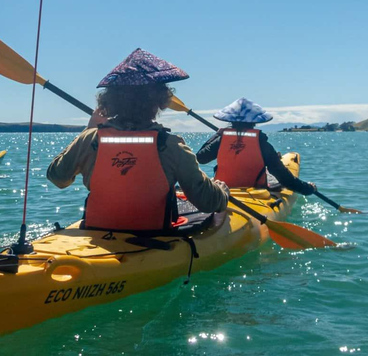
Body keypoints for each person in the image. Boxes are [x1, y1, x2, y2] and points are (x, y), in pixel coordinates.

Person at [46, 49, 229, 234]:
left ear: (110, 100)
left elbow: (57, 178)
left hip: (97, 232)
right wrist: (222, 190)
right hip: (152, 238)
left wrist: (88, 129)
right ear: (159, 100)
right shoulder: (172, 146)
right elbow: (208, 202)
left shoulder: (89, 139)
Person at [196, 98, 317, 195]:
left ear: (230, 121)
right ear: (254, 122)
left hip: (224, 188)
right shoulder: (262, 143)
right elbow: (283, 177)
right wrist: (308, 189)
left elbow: (200, 158)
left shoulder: (221, 139)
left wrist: (217, 135)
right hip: (254, 191)